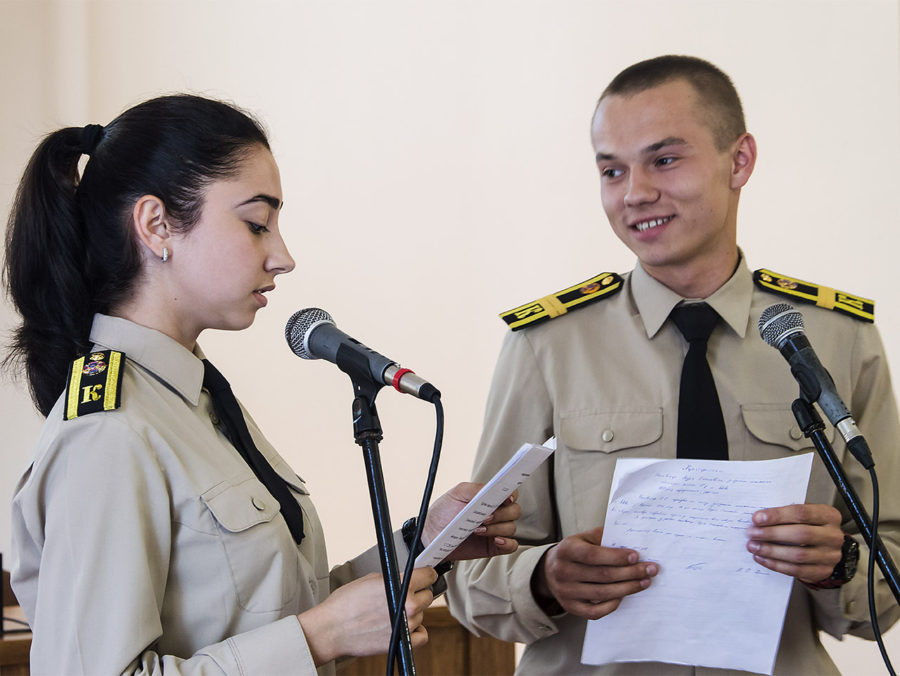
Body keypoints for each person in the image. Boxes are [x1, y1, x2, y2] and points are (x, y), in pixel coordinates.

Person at [3, 94, 521, 675]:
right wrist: (319, 638)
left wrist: (421, 539)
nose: (283, 256)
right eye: (256, 223)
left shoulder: (197, 402)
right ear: (157, 225)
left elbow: (274, 611)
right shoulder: (107, 432)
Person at [446, 55, 900, 675]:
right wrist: (545, 577)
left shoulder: (834, 339)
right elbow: (471, 574)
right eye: (612, 170)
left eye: (664, 159)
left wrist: (841, 562)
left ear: (738, 161)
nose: (635, 193)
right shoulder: (547, 345)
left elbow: (890, 563)